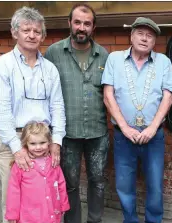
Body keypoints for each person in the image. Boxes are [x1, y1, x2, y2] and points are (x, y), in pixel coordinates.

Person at [0, 6, 66, 223]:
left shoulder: (50, 69)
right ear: (14, 32)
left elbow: (58, 107)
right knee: (13, 205)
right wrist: (16, 148)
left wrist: (56, 142)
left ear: (43, 35)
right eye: (26, 30)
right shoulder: (0, 66)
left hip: (44, 142)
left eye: (37, 31)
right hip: (13, 142)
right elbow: (1, 112)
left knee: (46, 201)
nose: (32, 35)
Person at [101, 17, 172, 222]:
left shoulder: (163, 62)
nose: (145, 38)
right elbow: (108, 95)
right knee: (124, 185)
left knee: (154, 184)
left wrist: (153, 128)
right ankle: (130, 219)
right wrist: (125, 128)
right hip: (123, 136)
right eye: (140, 33)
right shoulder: (114, 59)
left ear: (155, 41)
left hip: (154, 135)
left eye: (150, 35)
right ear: (131, 36)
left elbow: (168, 96)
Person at [44, 3, 109, 223]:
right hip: (67, 133)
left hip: (97, 132)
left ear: (93, 27)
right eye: (78, 22)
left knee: (98, 180)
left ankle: (94, 220)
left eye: (87, 23)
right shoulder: (53, 52)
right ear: (69, 23)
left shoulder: (104, 56)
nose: (82, 27)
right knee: (70, 182)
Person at [5, 121, 70, 223]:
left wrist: (63, 205)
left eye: (42, 143)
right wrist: (12, 214)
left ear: (49, 142)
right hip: (28, 216)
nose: (38, 147)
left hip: (51, 213)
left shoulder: (53, 161)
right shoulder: (20, 165)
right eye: (33, 143)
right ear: (25, 143)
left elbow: (61, 183)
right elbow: (13, 191)